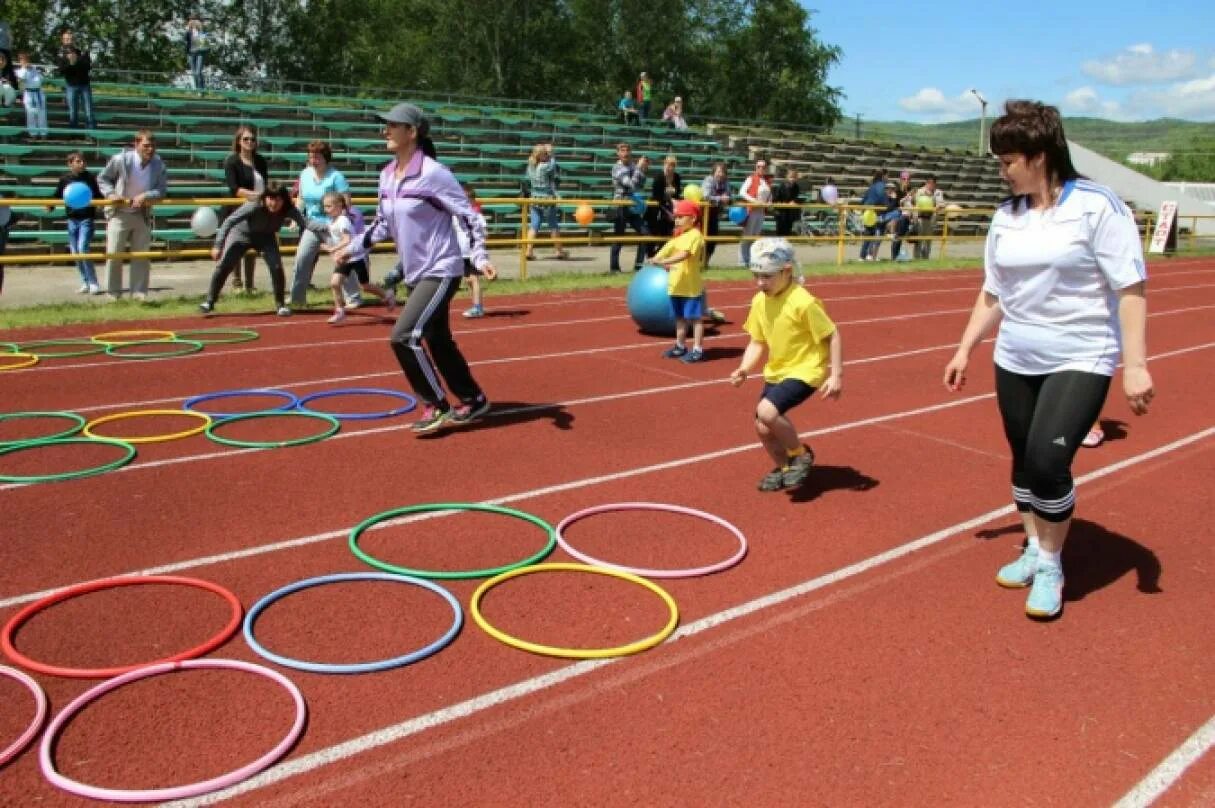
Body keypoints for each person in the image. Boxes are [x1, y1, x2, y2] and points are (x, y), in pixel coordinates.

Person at [943, 100, 1154, 620]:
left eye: (1007, 160)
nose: (1001, 170)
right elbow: (994, 291)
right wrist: (966, 346)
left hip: (1082, 352)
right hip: (1016, 353)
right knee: (1021, 458)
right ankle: (1035, 547)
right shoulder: (1006, 216)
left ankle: (1054, 563)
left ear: (1039, 156)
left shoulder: (1098, 206)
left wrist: (1136, 363)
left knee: (1047, 460)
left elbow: (1130, 287)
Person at [333, 102, 497, 434]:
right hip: (415, 272)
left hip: (442, 268)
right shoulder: (386, 175)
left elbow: (470, 217)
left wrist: (479, 258)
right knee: (438, 340)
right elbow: (381, 225)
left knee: (404, 336)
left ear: (413, 132)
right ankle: (473, 398)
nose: (386, 131)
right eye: (385, 125)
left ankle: (436, 405)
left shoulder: (434, 174)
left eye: (393, 125)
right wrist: (350, 249)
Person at [730, 237, 843, 492]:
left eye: (767, 276)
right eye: (756, 275)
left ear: (787, 271)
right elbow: (757, 341)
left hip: (806, 369)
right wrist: (744, 369)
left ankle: (800, 455)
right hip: (777, 370)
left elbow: (832, 334)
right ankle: (785, 468)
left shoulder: (803, 301)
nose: (760, 283)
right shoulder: (760, 300)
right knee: (761, 425)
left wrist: (836, 375)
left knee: (768, 412)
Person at [200, 184, 329, 317]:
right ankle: (209, 302)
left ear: (284, 200)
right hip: (242, 234)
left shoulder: (288, 209)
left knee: (277, 267)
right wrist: (217, 245)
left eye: (278, 199)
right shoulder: (254, 205)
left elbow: (306, 222)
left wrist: (328, 226)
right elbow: (229, 221)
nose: (274, 203)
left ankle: (280, 305)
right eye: (270, 199)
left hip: (267, 236)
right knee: (225, 265)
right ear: (265, 198)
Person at [96, 130, 168, 301]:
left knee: (141, 255)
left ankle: (139, 294)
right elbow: (102, 179)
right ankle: (113, 295)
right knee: (114, 254)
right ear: (136, 144)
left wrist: (146, 196)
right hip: (119, 213)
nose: (150, 150)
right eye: (146, 146)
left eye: (152, 146)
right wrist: (111, 194)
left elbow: (162, 190)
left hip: (141, 214)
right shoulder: (121, 159)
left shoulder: (159, 165)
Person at [289, 140, 360, 308]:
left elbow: (346, 202)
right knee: (302, 258)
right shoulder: (305, 174)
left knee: (341, 259)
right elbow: (301, 199)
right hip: (312, 225)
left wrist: (339, 222)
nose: (313, 160)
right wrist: (295, 218)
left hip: (332, 225)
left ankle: (353, 297)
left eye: (317, 157)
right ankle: (297, 299)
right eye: (311, 157)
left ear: (326, 158)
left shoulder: (336, 177)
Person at [319, 192, 395, 324]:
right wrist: (335, 252)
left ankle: (387, 295)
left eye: (329, 206)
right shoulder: (332, 221)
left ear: (339, 205)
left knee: (365, 286)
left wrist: (332, 249)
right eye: (324, 207)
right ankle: (340, 311)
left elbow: (347, 240)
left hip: (356, 257)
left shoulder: (342, 221)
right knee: (335, 283)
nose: (326, 210)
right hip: (345, 258)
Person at [652, 199, 707, 363]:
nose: (677, 220)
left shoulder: (695, 236)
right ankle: (680, 346)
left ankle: (697, 349)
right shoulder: (678, 237)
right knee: (679, 318)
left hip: (690, 287)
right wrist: (656, 258)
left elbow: (684, 254)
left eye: (681, 217)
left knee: (695, 319)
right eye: (676, 217)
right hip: (676, 286)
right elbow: (665, 250)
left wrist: (664, 262)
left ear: (693, 218)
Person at [222, 125, 269, 292]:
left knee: (252, 245)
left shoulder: (261, 161)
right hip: (238, 208)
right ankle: (237, 281)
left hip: (258, 209)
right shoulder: (231, 161)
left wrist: (264, 197)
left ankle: (250, 284)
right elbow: (235, 188)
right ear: (239, 141)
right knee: (237, 244)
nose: (250, 142)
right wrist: (256, 196)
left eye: (253, 139)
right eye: (246, 139)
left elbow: (266, 183)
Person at [51, 152, 103, 294]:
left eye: (83, 161)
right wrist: (50, 205)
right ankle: (85, 282)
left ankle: (93, 283)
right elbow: (57, 195)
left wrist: (103, 203)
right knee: (75, 252)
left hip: (87, 218)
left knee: (82, 249)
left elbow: (98, 194)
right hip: (72, 219)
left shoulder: (90, 178)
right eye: (78, 161)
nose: (82, 163)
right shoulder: (65, 179)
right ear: (70, 164)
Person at [609, 143, 650, 273]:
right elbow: (631, 184)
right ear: (618, 153)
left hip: (632, 205)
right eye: (623, 150)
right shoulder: (617, 167)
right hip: (621, 205)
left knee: (645, 234)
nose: (626, 153)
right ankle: (614, 268)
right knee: (619, 237)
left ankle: (638, 266)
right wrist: (638, 168)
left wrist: (643, 170)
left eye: (628, 150)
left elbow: (641, 185)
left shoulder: (633, 166)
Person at [524, 143, 567, 260]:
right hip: (547, 198)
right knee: (553, 225)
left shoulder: (530, 165)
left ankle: (529, 250)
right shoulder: (545, 166)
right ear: (541, 155)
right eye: (545, 154)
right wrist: (551, 154)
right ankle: (559, 251)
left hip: (534, 198)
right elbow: (553, 164)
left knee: (534, 226)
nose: (547, 155)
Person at [459, 183, 490, 318]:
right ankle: (476, 305)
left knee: (473, 279)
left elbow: (483, 231)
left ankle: (477, 307)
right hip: (463, 252)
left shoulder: (476, 215)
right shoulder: (459, 215)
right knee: (468, 280)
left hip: (472, 252)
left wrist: (479, 245)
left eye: (467, 199)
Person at [738, 158, 772, 267]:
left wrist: (770, 201)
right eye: (759, 166)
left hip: (761, 211)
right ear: (755, 167)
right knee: (747, 235)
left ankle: (752, 259)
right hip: (752, 210)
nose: (761, 168)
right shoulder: (751, 178)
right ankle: (743, 260)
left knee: (756, 236)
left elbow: (769, 194)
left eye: (763, 167)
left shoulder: (767, 181)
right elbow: (742, 192)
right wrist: (754, 201)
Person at [646, 154, 682, 254]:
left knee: (667, 235)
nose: (669, 167)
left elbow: (678, 194)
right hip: (656, 210)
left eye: (672, 165)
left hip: (669, 209)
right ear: (664, 164)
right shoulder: (658, 177)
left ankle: (659, 255)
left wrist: (673, 204)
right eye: (667, 164)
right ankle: (650, 256)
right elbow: (657, 196)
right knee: (653, 234)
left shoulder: (677, 177)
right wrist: (668, 209)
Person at [57, 45, 95, 130]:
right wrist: (70, 64)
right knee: (73, 111)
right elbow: (61, 71)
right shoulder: (63, 60)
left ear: (75, 53)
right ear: (66, 55)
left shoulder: (82, 58)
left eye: (72, 52)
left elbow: (88, 67)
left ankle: (91, 132)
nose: (71, 54)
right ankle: (73, 133)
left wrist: (76, 62)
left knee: (88, 111)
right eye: (68, 53)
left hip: (84, 86)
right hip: (71, 86)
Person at [700, 162, 730, 264]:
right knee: (701, 239)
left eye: (722, 172)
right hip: (703, 214)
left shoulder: (726, 182)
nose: (720, 174)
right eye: (718, 171)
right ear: (714, 172)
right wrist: (721, 198)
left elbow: (729, 195)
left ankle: (706, 263)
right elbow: (706, 196)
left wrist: (727, 198)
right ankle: (699, 262)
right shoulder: (709, 180)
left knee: (712, 240)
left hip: (715, 215)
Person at [14, 53, 47, 139]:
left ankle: (43, 134)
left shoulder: (36, 69)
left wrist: (32, 78)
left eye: (26, 60)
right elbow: (21, 79)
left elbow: (39, 80)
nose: (24, 62)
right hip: (28, 94)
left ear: (29, 60)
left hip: (39, 94)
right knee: (30, 115)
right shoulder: (18, 71)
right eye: (22, 60)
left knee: (42, 115)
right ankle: (33, 134)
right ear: (20, 62)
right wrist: (24, 69)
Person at [857, 169, 887, 261]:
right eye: (887, 176)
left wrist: (861, 207)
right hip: (875, 212)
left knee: (869, 233)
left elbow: (864, 198)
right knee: (877, 233)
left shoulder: (872, 186)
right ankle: (871, 254)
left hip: (867, 212)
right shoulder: (881, 186)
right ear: (883, 176)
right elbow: (882, 197)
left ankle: (863, 256)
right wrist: (887, 205)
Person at [912, 175, 944, 259]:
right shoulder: (920, 191)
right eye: (929, 183)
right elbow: (916, 202)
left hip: (931, 219)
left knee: (928, 241)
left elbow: (941, 204)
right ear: (926, 183)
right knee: (918, 241)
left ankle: (926, 258)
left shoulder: (938, 192)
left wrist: (931, 198)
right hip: (920, 218)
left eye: (933, 183)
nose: (931, 185)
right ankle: (916, 258)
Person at [773, 167, 802, 237]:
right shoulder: (781, 186)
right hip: (781, 213)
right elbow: (775, 200)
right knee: (780, 234)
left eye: (794, 177)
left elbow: (795, 198)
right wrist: (786, 204)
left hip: (790, 214)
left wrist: (794, 202)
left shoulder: (796, 187)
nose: (792, 179)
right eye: (791, 177)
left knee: (788, 233)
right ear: (787, 176)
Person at [184, 15, 208, 91]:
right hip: (191, 53)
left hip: (200, 53)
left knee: (198, 72)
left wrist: (200, 29)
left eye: (194, 20)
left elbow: (203, 41)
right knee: (194, 73)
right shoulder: (189, 30)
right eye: (191, 20)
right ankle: (198, 89)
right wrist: (187, 30)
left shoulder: (202, 29)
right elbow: (185, 39)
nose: (192, 21)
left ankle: (202, 90)